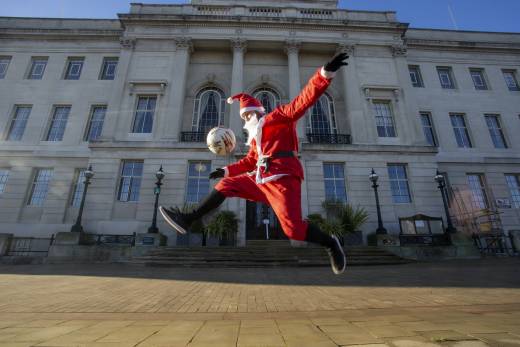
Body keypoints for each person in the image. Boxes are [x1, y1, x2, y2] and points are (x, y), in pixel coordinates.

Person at [160, 53, 349, 274]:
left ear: (258, 111)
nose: (246, 118)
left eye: (248, 114)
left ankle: (330, 243)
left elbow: (302, 101)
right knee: (225, 185)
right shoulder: (255, 140)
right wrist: (226, 170)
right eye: (244, 116)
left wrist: (324, 74)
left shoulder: (279, 117)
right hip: (260, 178)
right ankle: (187, 218)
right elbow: (251, 160)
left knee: (293, 230)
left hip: (283, 178)